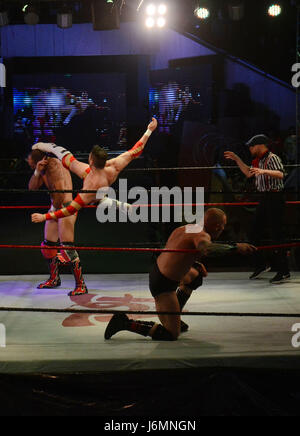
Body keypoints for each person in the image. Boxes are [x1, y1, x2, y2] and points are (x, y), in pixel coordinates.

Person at [104, 208, 257, 342]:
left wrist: (194, 264)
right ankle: (124, 322)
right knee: (171, 334)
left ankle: (175, 314)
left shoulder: (188, 227)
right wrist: (236, 247)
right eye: (223, 226)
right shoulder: (203, 236)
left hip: (159, 268)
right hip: (163, 284)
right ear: (218, 227)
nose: (222, 229)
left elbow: (177, 249)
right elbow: (207, 249)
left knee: (195, 276)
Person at [30, 118, 158, 223]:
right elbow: (135, 150)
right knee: (71, 162)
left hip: (95, 186)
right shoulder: (114, 165)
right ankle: (119, 205)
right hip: (102, 181)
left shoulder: (89, 189)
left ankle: (49, 146)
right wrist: (149, 130)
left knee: (71, 162)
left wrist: (44, 217)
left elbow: (70, 210)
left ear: (91, 161)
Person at [224, 134, 290, 284]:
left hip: (275, 198)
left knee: (276, 234)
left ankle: (283, 271)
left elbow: (281, 174)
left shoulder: (272, 158)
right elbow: (248, 172)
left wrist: (263, 171)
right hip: (264, 198)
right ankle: (261, 264)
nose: (250, 148)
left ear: (260, 145)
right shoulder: (258, 160)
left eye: (252, 146)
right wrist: (236, 159)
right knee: (254, 231)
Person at [27, 149, 88, 296]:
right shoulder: (43, 168)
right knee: (48, 245)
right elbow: (32, 188)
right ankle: (54, 279)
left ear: (39, 160)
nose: (29, 165)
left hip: (66, 207)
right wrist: (36, 172)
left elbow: (60, 192)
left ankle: (81, 285)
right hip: (56, 206)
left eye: (31, 163)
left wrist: (51, 212)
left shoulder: (54, 166)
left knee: (67, 248)